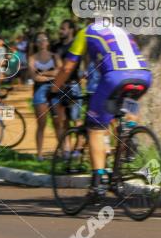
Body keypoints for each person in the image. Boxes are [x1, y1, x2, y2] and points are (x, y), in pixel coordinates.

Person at [52, 21, 152, 201]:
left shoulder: (85, 32)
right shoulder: (122, 31)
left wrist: (54, 88)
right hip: (143, 75)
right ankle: (130, 134)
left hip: (115, 77)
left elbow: (68, 67)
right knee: (128, 102)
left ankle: (97, 183)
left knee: (95, 127)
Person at [29, 33, 60, 160]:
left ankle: (63, 151)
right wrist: (52, 75)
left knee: (58, 122)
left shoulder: (55, 56)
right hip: (39, 90)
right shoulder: (32, 58)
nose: (42, 41)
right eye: (39, 40)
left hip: (54, 89)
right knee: (41, 124)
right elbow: (34, 77)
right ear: (36, 43)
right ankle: (40, 154)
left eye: (44, 39)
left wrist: (43, 73)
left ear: (48, 42)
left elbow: (60, 71)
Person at [51, 19, 82, 142]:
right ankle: (67, 150)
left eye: (63, 28)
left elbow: (65, 67)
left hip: (73, 84)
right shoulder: (56, 46)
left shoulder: (77, 45)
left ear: (71, 30)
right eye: (61, 28)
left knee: (76, 118)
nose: (60, 31)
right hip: (60, 86)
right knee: (64, 120)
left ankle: (78, 149)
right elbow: (56, 67)